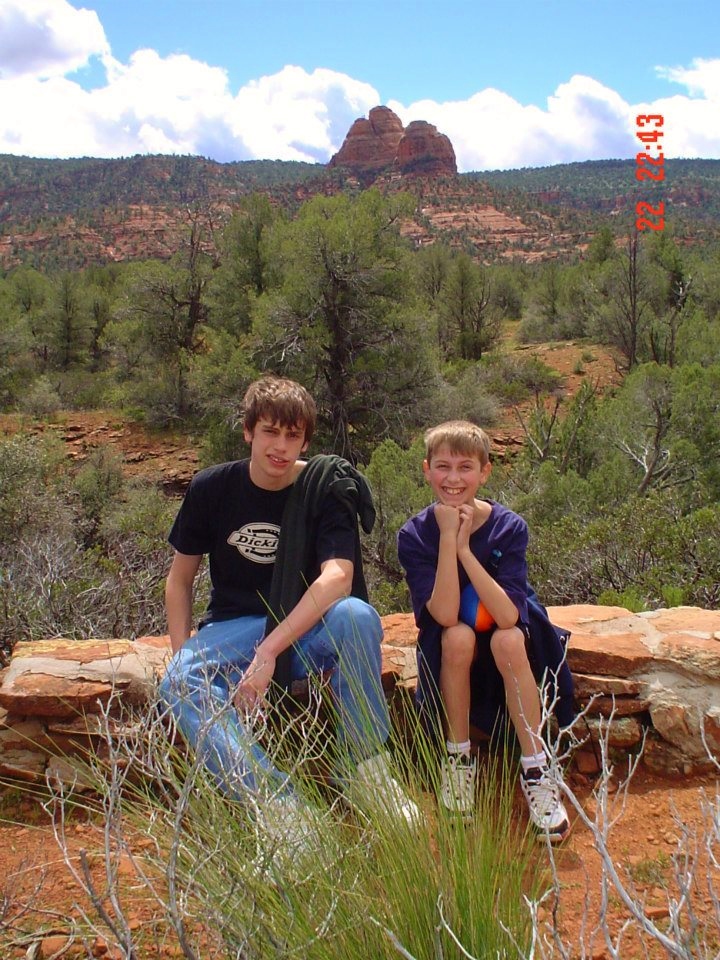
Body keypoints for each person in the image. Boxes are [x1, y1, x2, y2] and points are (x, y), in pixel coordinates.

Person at [159, 375, 420, 866]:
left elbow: (339, 577)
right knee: (179, 679)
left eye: (293, 436)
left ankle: (365, 769)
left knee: (357, 616)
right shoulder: (212, 488)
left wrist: (270, 650)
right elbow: (180, 581)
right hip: (234, 626)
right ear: (248, 432)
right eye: (270, 433)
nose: (281, 448)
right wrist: (187, 657)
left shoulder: (323, 488)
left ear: (305, 439)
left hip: (301, 629)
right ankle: (281, 809)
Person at [397, 420, 570, 841]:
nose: (453, 479)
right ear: (426, 470)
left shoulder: (509, 527)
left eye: (465, 467)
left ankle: (536, 766)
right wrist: (445, 538)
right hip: (454, 641)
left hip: (509, 638)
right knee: (456, 635)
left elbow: (509, 616)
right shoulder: (415, 535)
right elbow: (444, 612)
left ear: (485, 472)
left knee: (508, 639)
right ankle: (457, 760)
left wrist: (462, 550)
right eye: (442, 467)